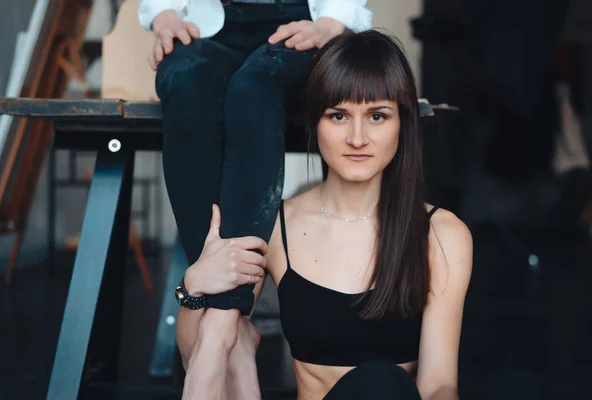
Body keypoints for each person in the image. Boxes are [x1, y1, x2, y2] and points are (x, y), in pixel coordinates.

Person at [188, 30, 473, 399]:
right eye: (339, 115)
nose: (357, 138)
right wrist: (192, 287)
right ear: (315, 123)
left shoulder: (441, 234)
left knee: (382, 384)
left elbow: (438, 384)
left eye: (377, 116)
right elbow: (200, 352)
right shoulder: (276, 226)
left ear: (402, 124)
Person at [137, 0, 372, 398]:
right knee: (186, 81)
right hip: (209, 26)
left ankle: (220, 324)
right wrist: (164, 17)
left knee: (254, 87)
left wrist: (332, 25)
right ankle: (234, 329)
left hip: (299, 26)